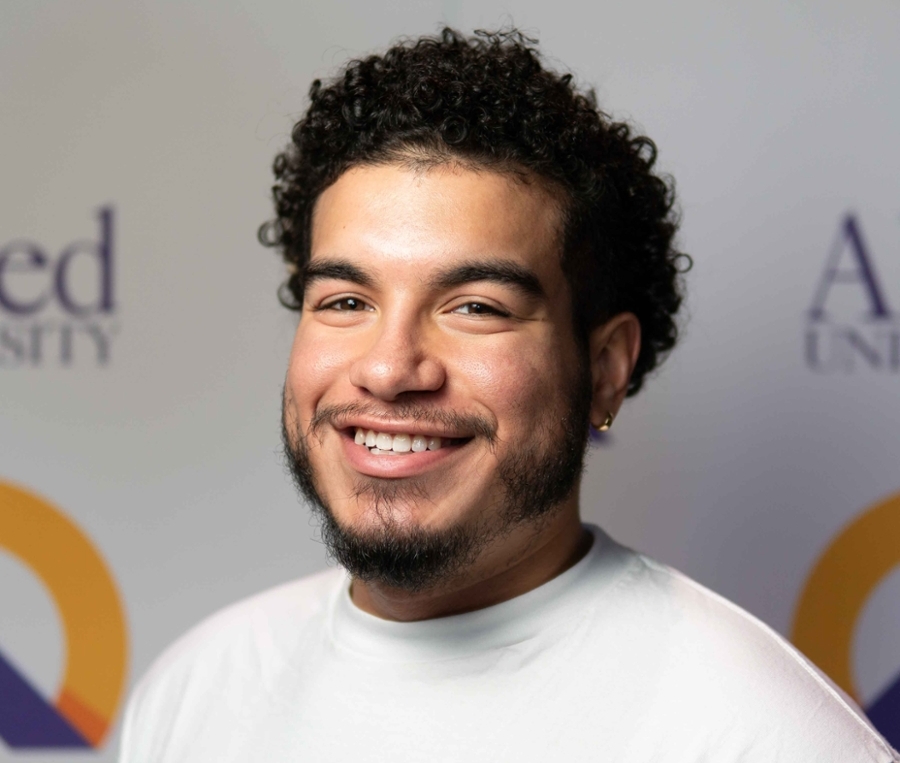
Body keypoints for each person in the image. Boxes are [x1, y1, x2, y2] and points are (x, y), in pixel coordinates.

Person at [118, 28, 898, 762]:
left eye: (475, 307)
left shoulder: (756, 735)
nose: (389, 369)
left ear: (604, 367)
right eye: (346, 301)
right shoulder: (194, 689)